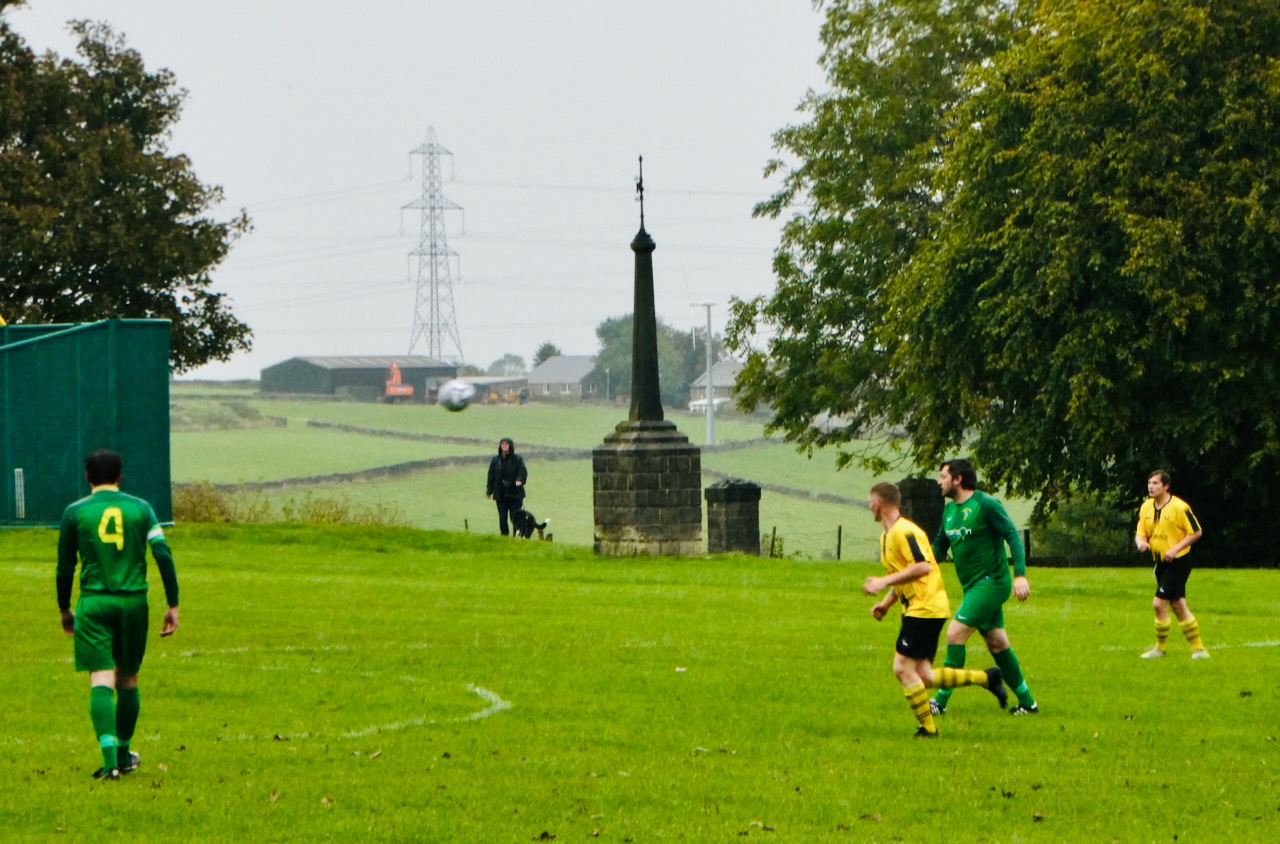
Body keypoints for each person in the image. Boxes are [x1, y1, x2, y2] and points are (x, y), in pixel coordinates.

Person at [56, 449, 180, 781]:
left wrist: (64, 608)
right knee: (128, 677)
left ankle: (110, 762)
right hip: (133, 603)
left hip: (95, 603)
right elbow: (162, 553)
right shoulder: (142, 508)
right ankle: (124, 755)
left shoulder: (75, 512)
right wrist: (173, 603)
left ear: (87, 476)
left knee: (101, 677)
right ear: (120, 475)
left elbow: (65, 567)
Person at [864, 482, 1007, 738]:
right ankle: (987, 678)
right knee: (924, 675)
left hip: (925, 607)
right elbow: (904, 574)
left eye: (869, 503)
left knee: (902, 669)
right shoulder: (886, 536)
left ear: (878, 504)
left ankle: (928, 730)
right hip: (919, 608)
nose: (869, 508)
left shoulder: (905, 531)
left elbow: (922, 567)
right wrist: (886, 604)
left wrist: (882, 582)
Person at [930, 459, 1040, 716]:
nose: (939, 481)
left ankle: (940, 702)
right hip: (972, 587)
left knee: (954, 634)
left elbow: (1012, 535)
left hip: (992, 582)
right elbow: (938, 548)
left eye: (943, 476)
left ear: (958, 479)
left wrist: (1020, 576)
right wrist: (916, 564)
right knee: (997, 644)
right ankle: (1028, 703)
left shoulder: (986, 504)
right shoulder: (949, 511)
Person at [1135, 470, 1207, 659]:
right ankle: (1199, 650)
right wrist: (1141, 543)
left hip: (1178, 562)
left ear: (1166, 486)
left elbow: (1196, 532)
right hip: (1160, 563)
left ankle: (1160, 649)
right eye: (1149, 483)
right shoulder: (1146, 507)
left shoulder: (1180, 507)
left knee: (1158, 604)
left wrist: (1175, 549)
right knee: (1178, 606)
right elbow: (1140, 532)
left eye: (1155, 483)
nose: (1151, 486)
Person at [485, 437, 527, 536]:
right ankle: (505, 536)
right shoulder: (496, 460)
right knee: (502, 518)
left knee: (515, 517)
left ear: (510, 446)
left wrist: (520, 480)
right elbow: (491, 476)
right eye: (502, 444)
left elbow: (523, 471)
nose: (504, 446)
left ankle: (517, 536)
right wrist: (489, 490)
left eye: (506, 444)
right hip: (501, 494)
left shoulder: (517, 459)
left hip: (515, 494)